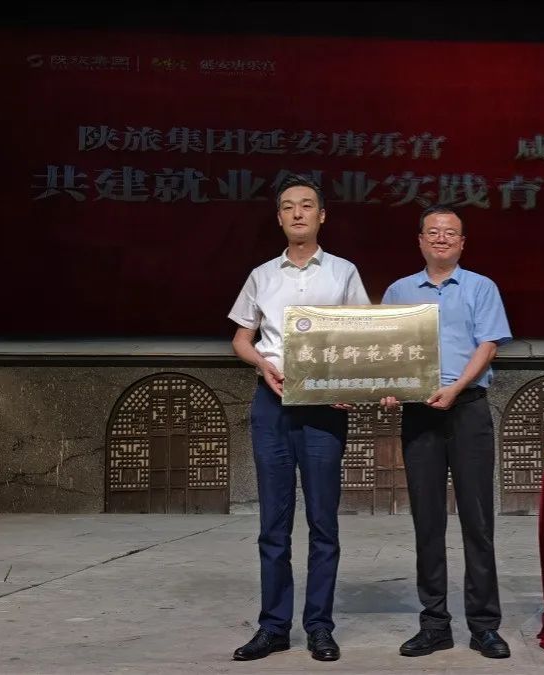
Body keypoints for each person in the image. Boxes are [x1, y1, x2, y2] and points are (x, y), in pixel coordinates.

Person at [228, 176, 369, 662]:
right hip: (272, 403)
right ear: (279, 218)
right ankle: (272, 627)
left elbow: (363, 336)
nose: (298, 213)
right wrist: (262, 363)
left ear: (322, 215)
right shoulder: (262, 275)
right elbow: (241, 338)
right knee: (274, 522)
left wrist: (350, 385)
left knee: (323, 522)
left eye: (307, 206)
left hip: (324, 408)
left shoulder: (344, 272)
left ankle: (319, 627)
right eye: (288, 207)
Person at [380, 204, 512, 659]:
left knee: (478, 521)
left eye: (450, 232)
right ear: (420, 240)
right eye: (433, 232)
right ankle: (434, 623)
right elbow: (385, 350)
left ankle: (485, 626)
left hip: (467, 409)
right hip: (419, 413)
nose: (441, 238)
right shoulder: (398, 291)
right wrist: (389, 387)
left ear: (462, 243)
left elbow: (488, 345)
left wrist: (455, 388)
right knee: (428, 521)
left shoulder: (481, 287)